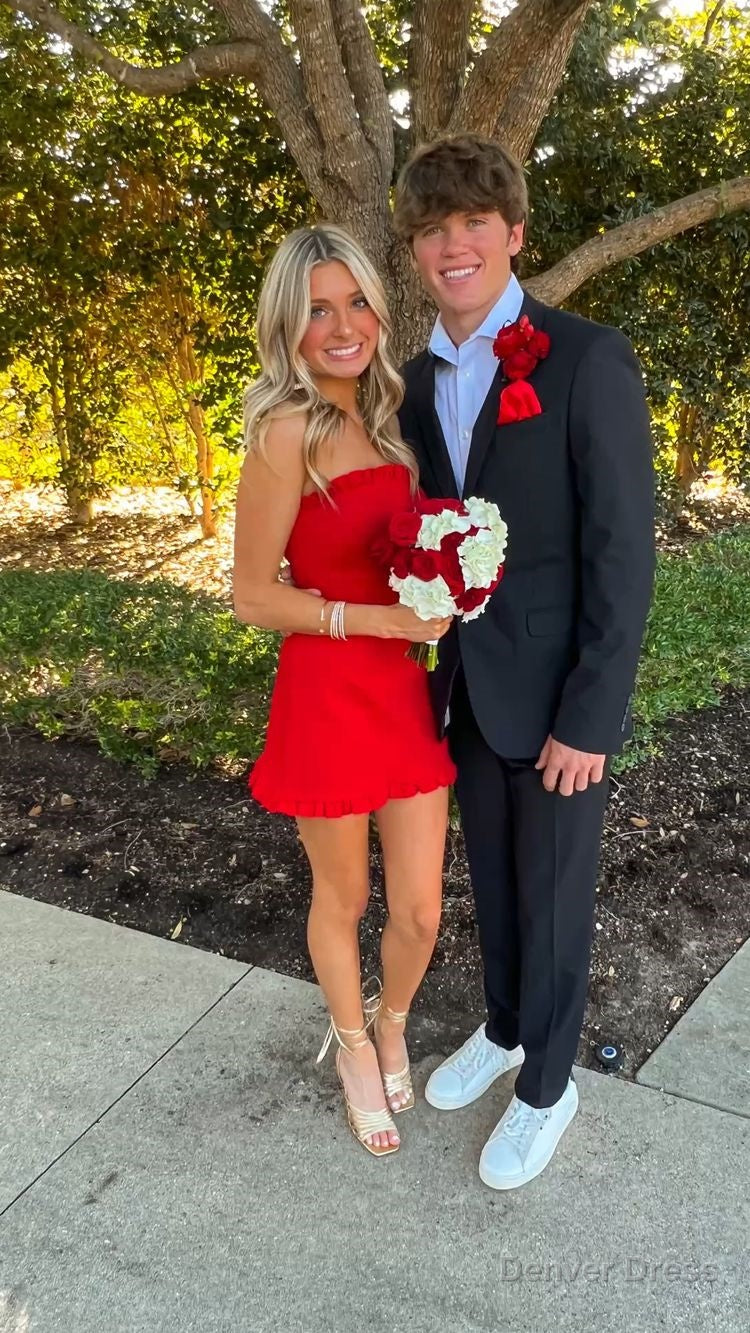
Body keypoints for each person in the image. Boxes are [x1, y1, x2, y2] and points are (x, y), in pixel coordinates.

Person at [393, 134, 656, 1189]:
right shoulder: (414, 382)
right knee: (495, 883)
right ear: (416, 250)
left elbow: (622, 552)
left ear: (514, 234)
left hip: (555, 698)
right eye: (433, 228)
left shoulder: (585, 358)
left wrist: (591, 716)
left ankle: (549, 1085)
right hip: (464, 685)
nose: (453, 244)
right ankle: (504, 1030)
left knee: (552, 897)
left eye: (473, 223)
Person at [233, 224, 456, 1158]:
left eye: (357, 302)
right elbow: (252, 596)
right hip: (328, 692)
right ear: (287, 326)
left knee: (421, 908)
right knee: (346, 896)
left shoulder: (394, 420)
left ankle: (392, 1019)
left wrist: (443, 594)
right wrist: (377, 621)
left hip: (402, 693)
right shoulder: (285, 431)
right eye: (317, 310)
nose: (343, 326)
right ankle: (354, 1046)